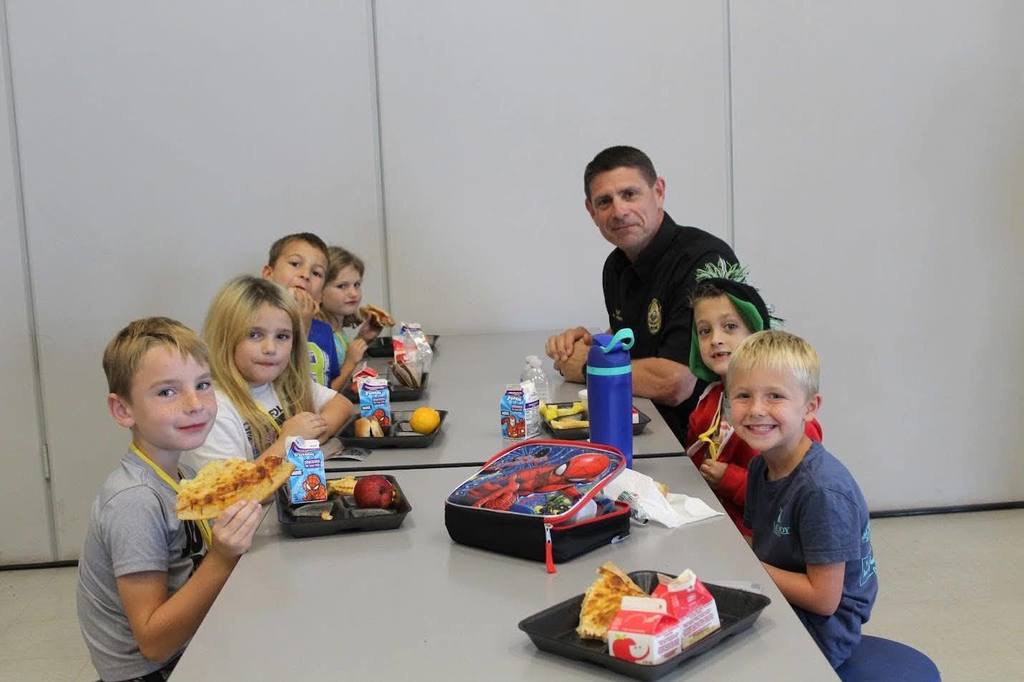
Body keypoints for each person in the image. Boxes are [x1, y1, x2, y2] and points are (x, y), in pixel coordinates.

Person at [77, 317, 263, 682]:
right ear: (123, 410)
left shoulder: (184, 476)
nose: (194, 404)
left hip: (189, 648)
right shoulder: (135, 502)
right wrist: (222, 557)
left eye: (203, 384)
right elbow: (154, 643)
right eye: (167, 392)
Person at [545, 145, 739, 440]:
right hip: (650, 426)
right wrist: (591, 344)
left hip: (707, 446)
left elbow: (675, 382)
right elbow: (636, 340)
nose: (619, 211)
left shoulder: (703, 260)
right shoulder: (616, 266)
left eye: (629, 194)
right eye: (604, 201)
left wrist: (588, 365)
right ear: (591, 211)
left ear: (658, 191)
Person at [731, 330, 877, 668]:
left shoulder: (821, 492)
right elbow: (757, 544)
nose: (756, 409)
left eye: (775, 396)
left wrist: (747, 567)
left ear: (810, 408)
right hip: (783, 598)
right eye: (743, 395)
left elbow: (824, 599)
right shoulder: (760, 466)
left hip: (823, 631)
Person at [684, 260, 823, 537]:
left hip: (762, 539)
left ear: (757, 335)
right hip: (713, 522)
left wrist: (729, 480)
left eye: (730, 326)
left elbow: (793, 495)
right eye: (705, 330)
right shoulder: (709, 401)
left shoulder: (789, 416)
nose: (715, 339)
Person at [182, 276, 352, 472]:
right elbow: (235, 488)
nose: (270, 348)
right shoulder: (213, 409)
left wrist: (309, 436)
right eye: (254, 335)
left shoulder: (283, 382)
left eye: (282, 336)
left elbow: (342, 405)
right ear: (225, 338)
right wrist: (289, 442)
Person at [260, 231, 339, 387]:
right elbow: (274, 386)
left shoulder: (325, 331)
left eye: (316, 273)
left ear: (320, 295)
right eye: (295, 264)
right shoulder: (253, 325)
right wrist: (301, 325)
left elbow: (329, 389)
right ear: (268, 274)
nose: (305, 275)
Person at [318, 246, 386, 392]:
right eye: (342, 286)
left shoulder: (336, 330)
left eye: (357, 285)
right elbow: (324, 395)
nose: (354, 293)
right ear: (318, 290)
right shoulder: (317, 338)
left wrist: (363, 338)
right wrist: (350, 363)